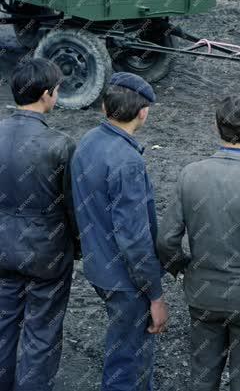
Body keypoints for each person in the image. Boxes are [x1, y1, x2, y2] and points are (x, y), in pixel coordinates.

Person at [157, 95, 240, 391]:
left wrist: (183, 271)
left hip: (203, 295)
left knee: (202, 378)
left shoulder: (190, 175)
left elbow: (166, 240)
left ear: (216, 127)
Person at [71, 72, 167, 391]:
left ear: (103, 107)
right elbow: (135, 240)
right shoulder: (127, 162)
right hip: (125, 281)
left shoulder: (87, 142)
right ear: (143, 112)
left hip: (98, 268)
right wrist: (154, 294)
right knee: (129, 361)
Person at [0, 58, 77, 391]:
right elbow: (75, 206)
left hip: (2, 247)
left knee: (3, 326)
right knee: (43, 332)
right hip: (48, 252)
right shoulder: (60, 144)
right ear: (47, 95)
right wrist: (76, 245)